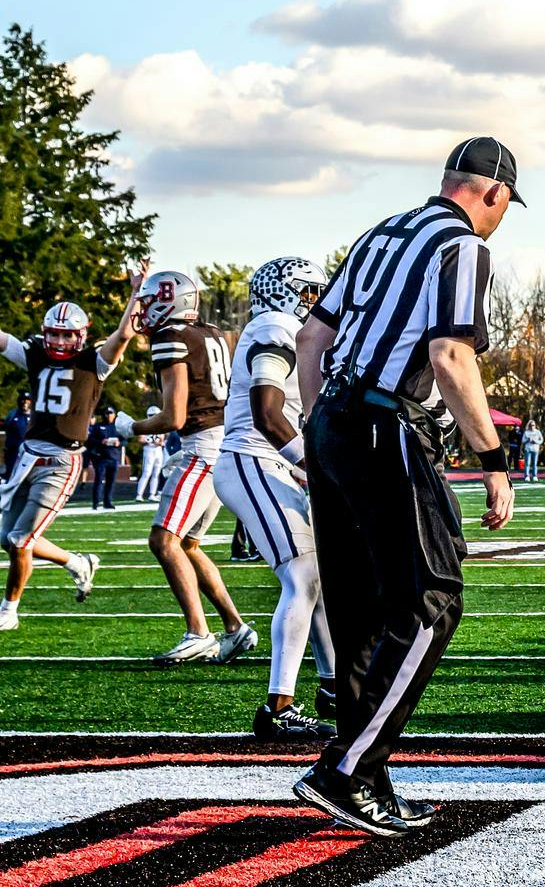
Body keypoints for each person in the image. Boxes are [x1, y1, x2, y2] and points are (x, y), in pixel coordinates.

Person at [291, 137, 520, 837]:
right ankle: (346, 769)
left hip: (331, 418)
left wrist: (317, 430)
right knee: (430, 600)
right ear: (493, 194)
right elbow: (450, 356)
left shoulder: (380, 232)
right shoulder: (463, 247)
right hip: (386, 423)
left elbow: (310, 340)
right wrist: (492, 456)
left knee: (365, 614)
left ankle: (367, 778)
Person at [215, 256, 338, 740]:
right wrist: (312, 464)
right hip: (252, 458)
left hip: (269, 461)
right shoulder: (273, 325)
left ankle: (333, 688)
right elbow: (267, 412)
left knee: (319, 576)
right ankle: (278, 710)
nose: (315, 302)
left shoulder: (284, 327)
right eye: (308, 292)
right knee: (304, 574)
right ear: (284, 291)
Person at [126, 269, 256, 666]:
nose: (144, 311)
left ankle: (198, 632)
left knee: (163, 540)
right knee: (187, 544)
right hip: (222, 442)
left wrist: (130, 426)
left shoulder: (171, 338)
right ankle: (235, 627)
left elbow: (174, 416)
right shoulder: (210, 332)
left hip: (202, 446)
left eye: (148, 303)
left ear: (169, 302)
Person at [0, 288, 145, 631]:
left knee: (21, 541)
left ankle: (8, 610)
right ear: (45, 332)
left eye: (68, 334)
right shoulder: (34, 354)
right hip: (28, 458)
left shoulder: (92, 362)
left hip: (63, 461)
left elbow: (125, 334)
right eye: (55, 333)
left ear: (80, 335)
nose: (61, 341)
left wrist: (136, 292)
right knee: (8, 537)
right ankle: (77, 562)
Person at [86, 407, 125, 509]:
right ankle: (96, 503)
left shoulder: (118, 427)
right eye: (107, 414)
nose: (109, 416)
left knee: (110, 482)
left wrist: (119, 443)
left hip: (114, 457)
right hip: (101, 458)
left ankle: (107, 502)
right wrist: (101, 442)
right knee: (99, 480)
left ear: (114, 415)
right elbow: (90, 440)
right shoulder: (98, 427)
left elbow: (125, 440)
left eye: (111, 414)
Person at [134, 420, 169, 504]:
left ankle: (152, 494)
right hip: (148, 450)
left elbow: (162, 440)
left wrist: (159, 442)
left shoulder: (161, 426)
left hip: (158, 450)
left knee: (156, 473)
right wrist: (149, 441)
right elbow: (140, 439)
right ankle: (139, 494)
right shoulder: (145, 426)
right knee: (146, 473)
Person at [3, 395, 30, 476]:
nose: (25, 403)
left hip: (27, 451)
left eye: (27, 400)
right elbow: (6, 428)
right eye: (23, 400)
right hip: (12, 449)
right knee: (10, 471)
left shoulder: (33, 416)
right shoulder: (12, 414)